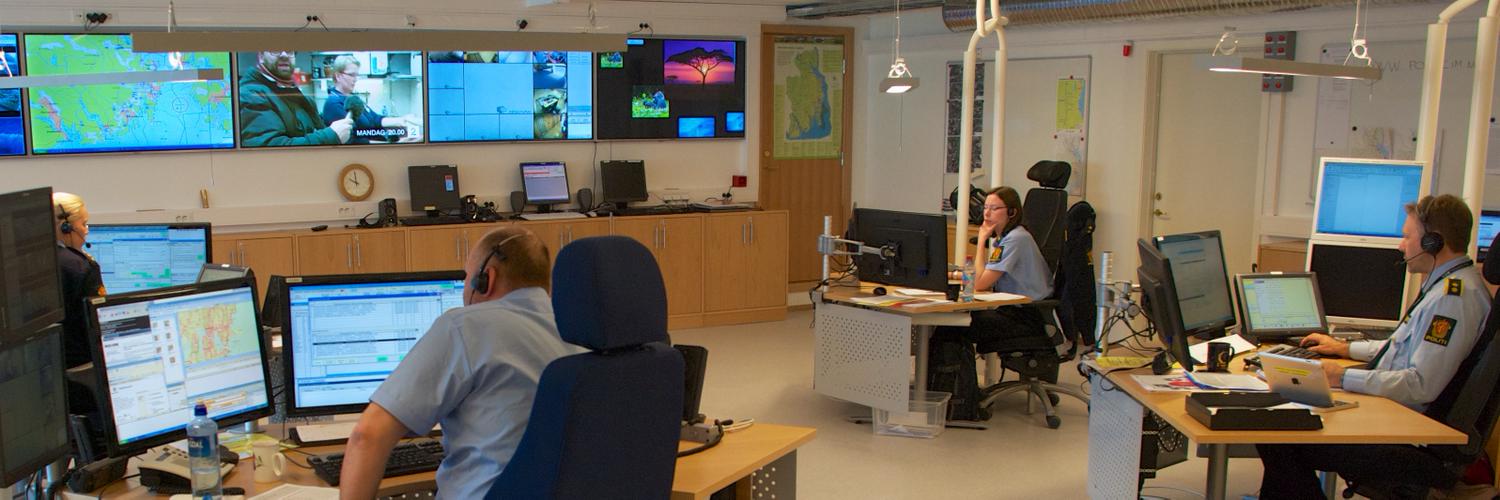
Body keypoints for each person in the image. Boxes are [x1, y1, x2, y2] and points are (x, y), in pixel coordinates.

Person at [1257, 194, 1492, 497]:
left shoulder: (1452, 300)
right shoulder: (1449, 286)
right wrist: (1344, 349)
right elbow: (1404, 347)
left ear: (1433, 242)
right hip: (1401, 418)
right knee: (1283, 427)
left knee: (1280, 434)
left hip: (1411, 436)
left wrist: (1341, 376)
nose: (1401, 246)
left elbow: (1420, 385)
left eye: (1407, 237)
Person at [339, 227, 586, 499]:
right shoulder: (581, 330)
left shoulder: (463, 327)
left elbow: (368, 436)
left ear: (485, 279)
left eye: (467, 277)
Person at [965, 186, 1055, 355]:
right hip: (1013, 311)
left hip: (1025, 317)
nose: (987, 214)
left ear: (1011, 212)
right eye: (985, 207)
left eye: (994, 208)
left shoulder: (1015, 239)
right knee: (956, 324)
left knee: (954, 327)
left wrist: (982, 240)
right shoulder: (1008, 238)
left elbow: (980, 284)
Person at [238, 50, 353, 147]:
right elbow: (271, 149)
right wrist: (331, 135)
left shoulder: (289, 90)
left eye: (289, 50)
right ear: (261, 56)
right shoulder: (251, 95)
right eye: (275, 49)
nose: (284, 55)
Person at [318, 55, 421, 144]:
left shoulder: (352, 99)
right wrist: (393, 144)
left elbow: (375, 119)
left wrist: (402, 120)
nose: (355, 79)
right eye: (352, 75)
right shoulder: (334, 104)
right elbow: (353, 141)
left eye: (356, 75)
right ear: (338, 76)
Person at [53, 191, 103, 368]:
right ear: (66, 228)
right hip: (81, 366)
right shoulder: (80, 266)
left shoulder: (31, 259)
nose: (86, 231)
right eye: (83, 224)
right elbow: (96, 326)